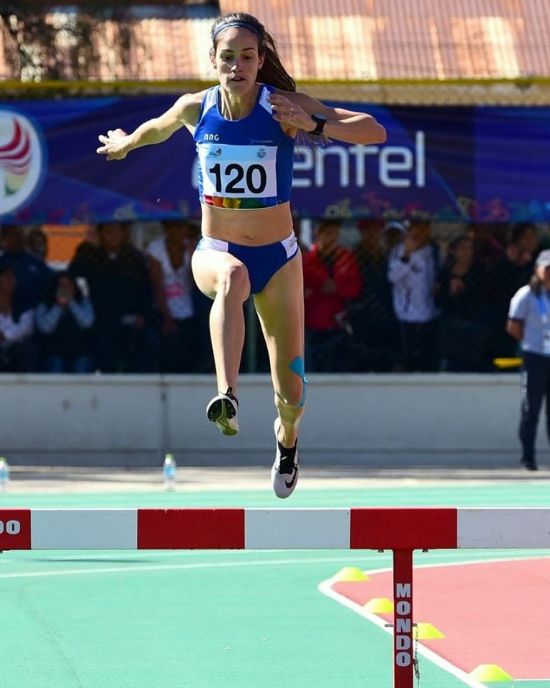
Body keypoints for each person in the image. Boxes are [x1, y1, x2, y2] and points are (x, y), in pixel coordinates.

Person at [96, 11, 386, 497]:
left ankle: (287, 439)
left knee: (290, 388)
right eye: (227, 57)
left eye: (247, 57)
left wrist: (314, 121)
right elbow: (157, 127)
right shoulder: (197, 108)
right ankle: (226, 394)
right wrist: (127, 143)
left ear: (260, 60)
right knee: (231, 278)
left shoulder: (283, 107)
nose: (237, 66)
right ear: (213, 60)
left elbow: (374, 130)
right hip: (217, 250)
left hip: (279, 258)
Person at [506, 249, 550, 471]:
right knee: (530, 408)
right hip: (534, 357)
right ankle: (528, 456)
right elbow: (513, 326)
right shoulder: (526, 294)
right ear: (538, 270)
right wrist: (531, 342)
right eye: (547, 269)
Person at [302, 219, 362, 372]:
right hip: (312, 322)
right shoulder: (306, 260)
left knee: (337, 364)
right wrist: (320, 288)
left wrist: (335, 288)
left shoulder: (346, 259)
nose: (333, 238)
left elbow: (354, 288)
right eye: (328, 233)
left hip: (337, 322)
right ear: (318, 233)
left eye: (336, 234)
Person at [387, 215, 440, 371]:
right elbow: (392, 277)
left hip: (430, 314)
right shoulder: (399, 251)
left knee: (429, 362)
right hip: (407, 316)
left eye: (423, 228)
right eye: (414, 228)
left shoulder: (433, 250)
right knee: (409, 361)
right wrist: (406, 256)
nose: (418, 232)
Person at [147, 219, 197, 373]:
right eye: (173, 227)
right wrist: (167, 318)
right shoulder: (155, 249)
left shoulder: (191, 248)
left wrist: (191, 254)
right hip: (163, 309)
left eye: (181, 227)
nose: (178, 231)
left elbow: (195, 282)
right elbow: (157, 286)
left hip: (187, 309)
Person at [35, 271, 95, 373]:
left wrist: (71, 303)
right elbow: (45, 328)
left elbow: (87, 323)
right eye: (61, 285)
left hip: (80, 352)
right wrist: (58, 306)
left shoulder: (83, 302)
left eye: (68, 285)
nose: (65, 289)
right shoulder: (44, 305)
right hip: (54, 353)